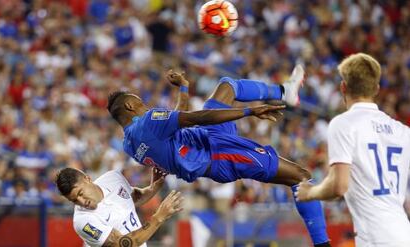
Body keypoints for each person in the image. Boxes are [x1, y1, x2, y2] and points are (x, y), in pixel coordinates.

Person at [107, 65, 331, 247]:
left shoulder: (129, 144)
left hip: (207, 140)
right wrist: (250, 111)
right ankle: (323, 244)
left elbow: (178, 120)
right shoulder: (147, 122)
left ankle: (285, 91)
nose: (145, 105)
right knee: (301, 176)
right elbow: (200, 117)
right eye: (140, 102)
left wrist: (184, 88)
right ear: (129, 105)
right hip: (219, 156)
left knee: (227, 85)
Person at [295, 53, 410, 246]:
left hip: (376, 238)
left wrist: (310, 193)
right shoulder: (403, 131)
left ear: (343, 87)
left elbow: (339, 186)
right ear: (377, 89)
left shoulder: (344, 124)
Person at [56, 167, 183, 247]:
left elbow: (133, 199)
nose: (81, 202)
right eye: (74, 201)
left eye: (80, 193)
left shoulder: (113, 178)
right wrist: (158, 217)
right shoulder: (83, 222)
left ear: (87, 179)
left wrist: (154, 187)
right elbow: (124, 244)